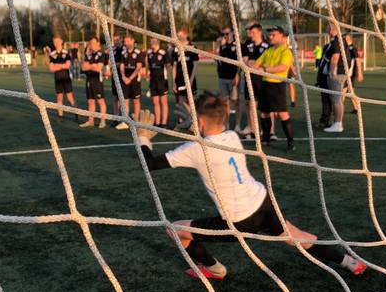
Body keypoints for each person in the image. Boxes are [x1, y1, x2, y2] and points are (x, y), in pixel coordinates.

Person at [135, 93, 367, 280]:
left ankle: (214, 268)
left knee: (174, 230)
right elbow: (207, 137)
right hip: (263, 202)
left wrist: (143, 137)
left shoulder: (196, 150)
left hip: (238, 220)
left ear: (201, 121)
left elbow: (151, 164)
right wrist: (194, 126)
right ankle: (349, 262)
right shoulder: (232, 135)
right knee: (297, 237)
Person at [252, 26, 296, 151]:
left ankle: (290, 142)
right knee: (264, 112)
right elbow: (257, 64)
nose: (270, 37)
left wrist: (265, 69)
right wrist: (249, 67)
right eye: (270, 35)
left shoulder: (286, 51)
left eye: (274, 35)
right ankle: (265, 139)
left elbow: (282, 67)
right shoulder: (268, 51)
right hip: (265, 84)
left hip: (277, 86)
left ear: (282, 36)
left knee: (282, 113)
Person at [240, 22, 270, 140]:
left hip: (263, 80)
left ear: (259, 32)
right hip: (250, 78)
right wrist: (254, 64)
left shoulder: (267, 46)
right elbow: (245, 61)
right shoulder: (247, 45)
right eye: (250, 32)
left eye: (253, 32)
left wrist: (255, 64)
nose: (250, 34)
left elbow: (267, 63)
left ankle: (267, 131)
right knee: (252, 105)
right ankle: (253, 131)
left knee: (264, 107)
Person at [43, 35, 76, 121]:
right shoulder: (53, 54)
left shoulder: (66, 52)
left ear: (61, 41)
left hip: (66, 78)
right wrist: (61, 65)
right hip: (57, 78)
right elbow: (51, 68)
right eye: (54, 42)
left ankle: (76, 112)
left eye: (57, 41)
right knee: (59, 98)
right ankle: (60, 116)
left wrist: (57, 65)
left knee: (70, 98)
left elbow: (67, 65)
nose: (56, 43)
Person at [323, 25, 348, 133]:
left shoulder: (337, 40)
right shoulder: (339, 40)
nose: (327, 31)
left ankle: (338, 124)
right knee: (338, 100)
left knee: (336, 100)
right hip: (341, 73)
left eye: (329, 29)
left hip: (337, 73)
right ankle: (337, 122)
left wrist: (331, 71)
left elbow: (336, 56)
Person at [115, 34, 143, 130]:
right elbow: (122, 66)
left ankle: (136, 122)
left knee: (136, 101)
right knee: (125, 101)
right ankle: (125, 122)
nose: (126, 43)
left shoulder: (138, 52)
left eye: (127, 41)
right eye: (125, 42)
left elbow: (138, 67)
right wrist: (123, 77)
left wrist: (130, 78)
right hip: (125, 80)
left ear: (132, 41)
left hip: (134, 80)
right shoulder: (123, 53)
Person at [80, 37, 108, 128]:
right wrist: (92, 65)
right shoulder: (90, 54)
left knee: (100, 101)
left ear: (98, 43)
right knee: (90, 101)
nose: (91, 44)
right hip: (89, 79)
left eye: (93, 42)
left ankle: (102, 121)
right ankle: (91, 121)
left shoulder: (101, 54)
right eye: (90, 42)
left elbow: (98, 68)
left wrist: (91, 66)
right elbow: (83, 67)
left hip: (97, 80)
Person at [216, 26, 240, 128]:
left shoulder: (236, 45)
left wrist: (237, 75)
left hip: (233, 77)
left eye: (227, 33)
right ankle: (226, 123)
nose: (225, 36)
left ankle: (238, 124)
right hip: (222, 77)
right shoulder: (222, 46)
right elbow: (218, 61)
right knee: (225, 101)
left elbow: (240, 62)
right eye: (223, 34)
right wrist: (219, 46)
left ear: (232, 33)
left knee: (236, 101)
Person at [146, 37, 171, 127]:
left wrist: (168, 65)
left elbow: (168, 65)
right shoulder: (149, 53)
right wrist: (148, 73)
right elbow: (148, 65)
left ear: (158, 41)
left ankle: (163, 123)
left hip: (162, 80)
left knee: (163, 102)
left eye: (154, 40)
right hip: (153, 81)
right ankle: (157, 122)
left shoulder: (163, 52)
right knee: (155, 102)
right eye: (151, 40)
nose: (152, 42)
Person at [172, 29, 200, 109]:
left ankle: (192, 121)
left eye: (180, 35)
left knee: (191, 102)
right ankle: (182, 121)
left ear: (186, 35)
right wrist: (174, 81)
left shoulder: (192, 48)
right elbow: (174, 66)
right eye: (178, 36)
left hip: (190, 78)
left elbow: (195, 65)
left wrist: (191, 79)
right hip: (180, 79)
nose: (179, 37)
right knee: (181, 102)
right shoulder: (176, 49)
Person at [343, 34, 363, 114]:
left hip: (349, 74)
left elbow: (358, 60)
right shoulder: (346, 48)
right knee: (350, 92)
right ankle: (357, 109)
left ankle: (338, 110)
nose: (344, 39)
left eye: (345, 38)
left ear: (349, 39)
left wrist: (360, 73)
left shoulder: (352, 48)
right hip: (347, 74)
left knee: (343, 92)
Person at [109, 34, 124, 119]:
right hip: (114, 75)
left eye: (117, 40)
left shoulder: (123, 49)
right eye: (114, 40)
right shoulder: (113, 50)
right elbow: (110, 62)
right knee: (115, 97)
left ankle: (123, 117)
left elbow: (123, 63)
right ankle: (116, 117)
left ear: (121, 40)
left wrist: (114, 65)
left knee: (122, 98)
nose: (116, 42)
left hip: (122, 76)